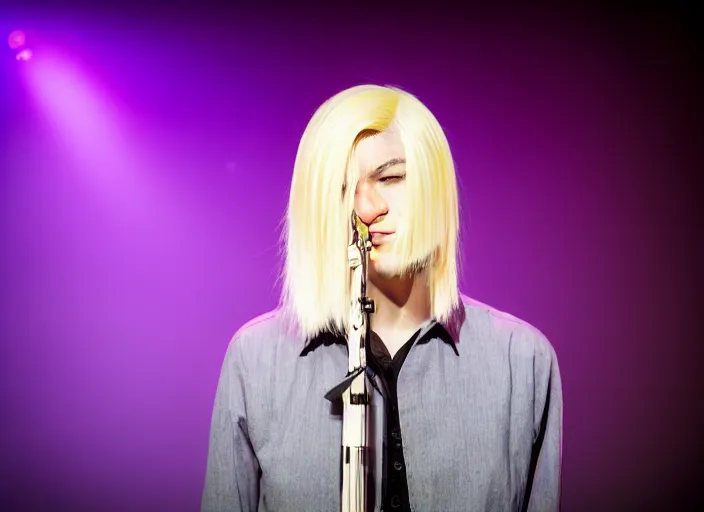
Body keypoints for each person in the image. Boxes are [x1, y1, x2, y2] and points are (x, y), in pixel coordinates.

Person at [201, 84, 562, 512]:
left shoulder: (523, 361)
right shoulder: (255, 359)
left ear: (434, 184)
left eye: (390, 177)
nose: (367, 208)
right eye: (341, 190)